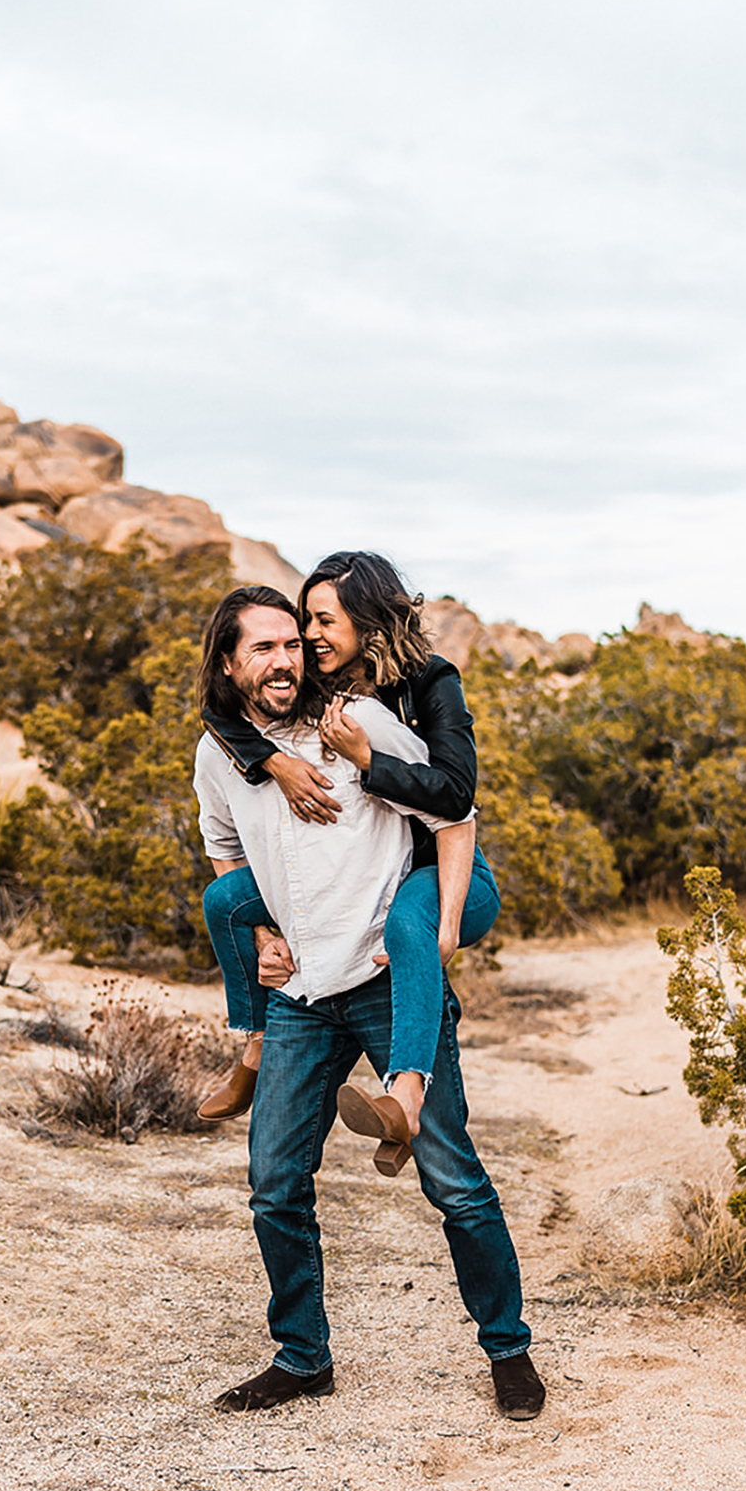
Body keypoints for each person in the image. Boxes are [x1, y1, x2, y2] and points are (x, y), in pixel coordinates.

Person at [192, 585, 545, 1420]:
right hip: (304, 995)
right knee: (275, 1182)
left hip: (385, 976)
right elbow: (224, 849)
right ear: (230, 662)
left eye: (294, 642)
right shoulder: (220, 755)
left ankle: (509, 1350)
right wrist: (262, 936)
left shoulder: (359, 723)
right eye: (264, 648)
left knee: (453, 1179)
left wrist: (444, 922)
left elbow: (453, 807)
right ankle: (303, 1356)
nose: (285, 659)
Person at [197, 551, 500, 1173]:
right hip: (352, 904)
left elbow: (457, 801)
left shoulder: (424, 685)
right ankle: (254, 1045)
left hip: (440, 869)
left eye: (320, 623)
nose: (307, 638)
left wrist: (365, 759)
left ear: (365, 622)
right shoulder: (309, 698)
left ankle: (406, 1095)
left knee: (408, 929)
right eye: (303, 621)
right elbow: (223, 713)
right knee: (225, 900)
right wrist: (274, 764)